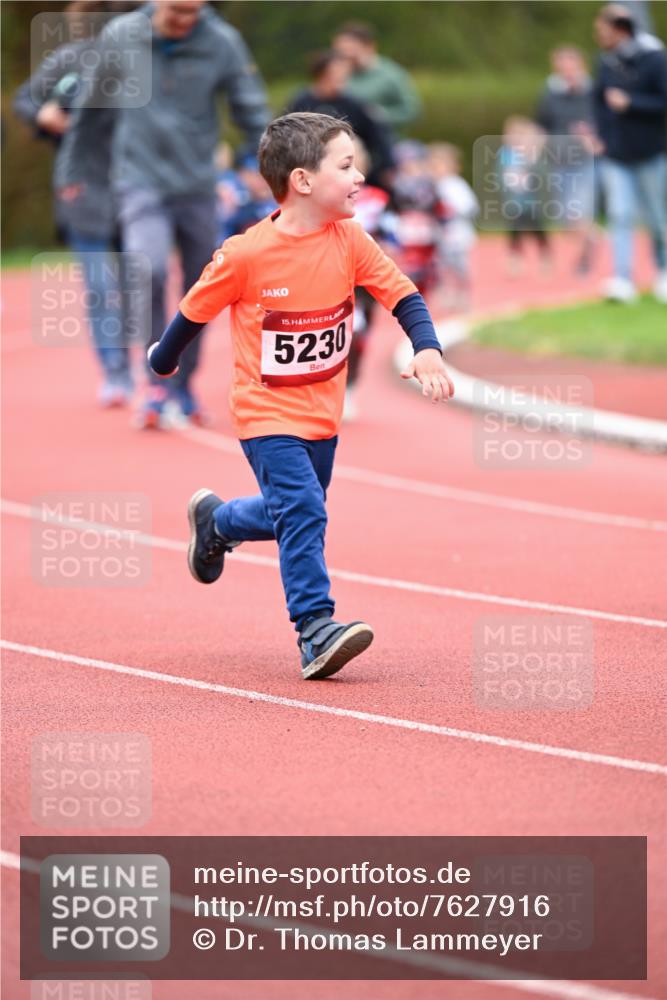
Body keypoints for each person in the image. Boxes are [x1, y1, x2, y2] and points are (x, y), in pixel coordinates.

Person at [147, 112, 454, 680]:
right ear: (304, 181)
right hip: (265, 414)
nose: (360, 176)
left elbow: (401, 293)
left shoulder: (351, 240)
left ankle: (218, 523)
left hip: (322, 413)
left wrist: (427, 348)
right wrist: (162, 359)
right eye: (346, 165)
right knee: (306, 511)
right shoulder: (246, 253)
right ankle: (315, 629)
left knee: (291, 512)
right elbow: (195, 309)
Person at [64, 0, 271, 426]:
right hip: (139, 181)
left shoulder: (221, 42)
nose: (183, 21)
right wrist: (74, 170)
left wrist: (269, 165)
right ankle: (155, 380)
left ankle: (185, 384)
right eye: (176, 11)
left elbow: (250, 108)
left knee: (203, 287)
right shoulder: (122, 35)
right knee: (148, 270)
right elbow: (90, 106)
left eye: (192, 14)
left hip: (197, 184)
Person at [13, 0, 139, 406]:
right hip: (81, 186)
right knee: (100, 287)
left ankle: (133, 362)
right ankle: (115, 372)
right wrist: (44, 115)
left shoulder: (141, 63)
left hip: (133, 183)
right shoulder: (68, 60)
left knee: (132, 283)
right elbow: (24, 101)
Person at [593, 5, 667, 302]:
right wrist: (600, 136)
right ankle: (622, 279)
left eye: (603, 29)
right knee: (619, 215)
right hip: (616, 154)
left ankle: (663, 271)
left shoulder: (654, 58)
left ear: (621, 30)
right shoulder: (606, 62)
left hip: (651, 151)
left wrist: (631, 103)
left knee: (656, 215)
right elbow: (599, 100)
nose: (599, 35)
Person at [286, 50, 395, 190]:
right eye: (336, 73)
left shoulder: (355, 104)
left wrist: (386, 166)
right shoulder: (301, 102)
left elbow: (378, 136)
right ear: (321, 74)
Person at [536, 45, 599, 274]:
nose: (566, 69)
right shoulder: (550, 91)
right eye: (562, 64)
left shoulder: (592, 90)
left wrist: (593, 135)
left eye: (570, 64)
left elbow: (603, 119)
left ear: (580, 65)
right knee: (565, 219)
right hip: (557, 160)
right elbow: (542, 123)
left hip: (584, 161)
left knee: (578, 212)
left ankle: (584, 258)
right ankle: (591, 238)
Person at [332, 22, 421, 134]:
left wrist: (380, 115)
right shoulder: (334, 75)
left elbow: (411, 111)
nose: (346, 58)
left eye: (352, 51)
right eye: (341, 53)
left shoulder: (391, 74)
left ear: (370, 47)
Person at [427, 143, 478, 310]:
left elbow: (469, 207)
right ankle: (447, 294)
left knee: (459, 266)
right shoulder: (430, 185)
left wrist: (451, 210)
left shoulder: (456, 185)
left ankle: (463, 293)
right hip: (439, 234)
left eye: (441, 164)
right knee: (440, 267)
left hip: (457, 233)